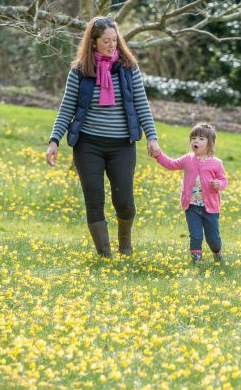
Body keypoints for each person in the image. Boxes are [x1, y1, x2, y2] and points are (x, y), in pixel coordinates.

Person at [46, 16, 160, 258]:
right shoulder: (80, 71)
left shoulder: (129, 69)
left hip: (122, 145)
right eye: (106, 41)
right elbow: (67, 108)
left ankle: (125, 245)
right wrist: (54, 140)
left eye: (115, 40)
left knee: (124, 200)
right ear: (93, 42)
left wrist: (152, 137)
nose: (112, 45)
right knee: (94, 200)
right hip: (88, 145)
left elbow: (141, 104)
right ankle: (105, 255)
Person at [154, 123, 228, 263]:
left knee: (213, 238)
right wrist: (158, 155)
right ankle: (196, 261)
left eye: (201, 138)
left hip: (210, 208)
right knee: (195, 236)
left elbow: (224, 181)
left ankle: (217, 254)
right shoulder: (188, 159)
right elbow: (171, 164)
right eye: (193, 138)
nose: (196, 141)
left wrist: (218, 184)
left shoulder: (216, 163)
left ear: (210, 143)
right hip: (191, 206)